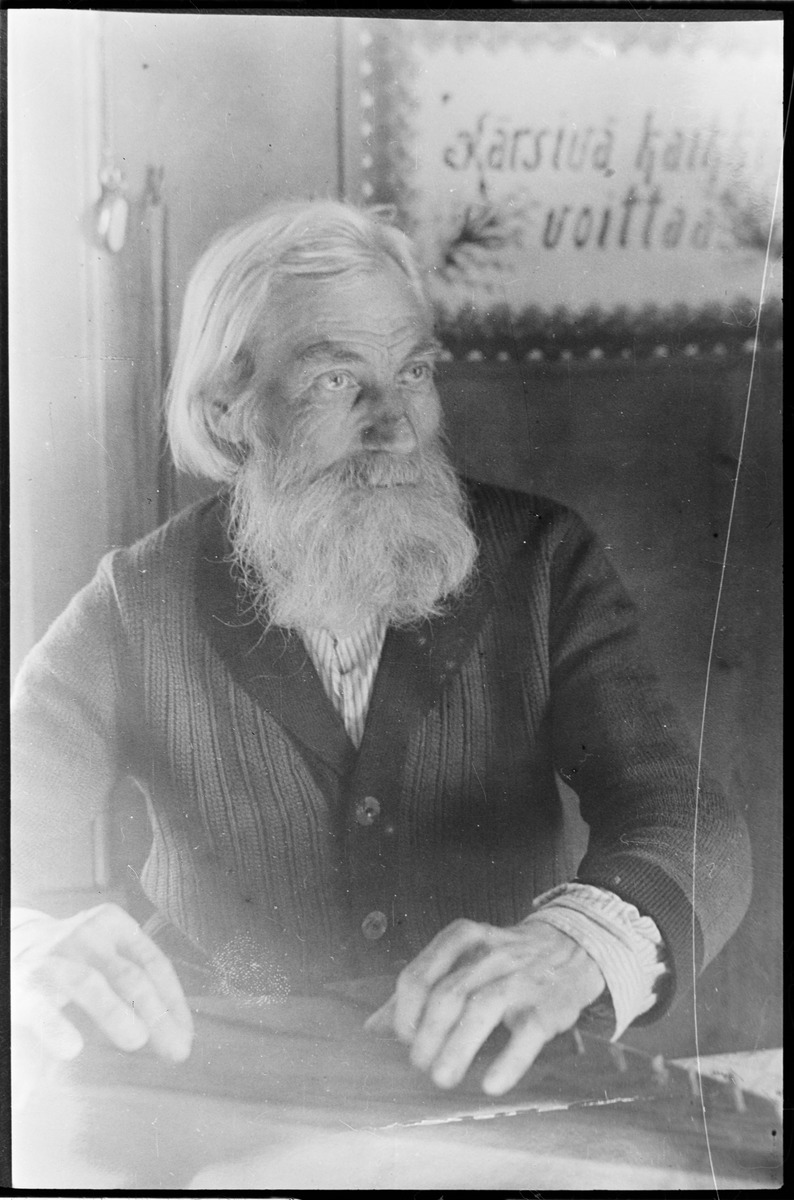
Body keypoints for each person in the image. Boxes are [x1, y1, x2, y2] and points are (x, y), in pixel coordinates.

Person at [11, 199, 751, 1098]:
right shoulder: (137, 600)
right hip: (227, 1097)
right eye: (336, 380)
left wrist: (572, 947)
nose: (398, 426)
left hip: (497, 1082)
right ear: (228, 408)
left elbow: (684, 815)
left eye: (414, 372)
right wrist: (29, 943)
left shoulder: (542, 558)